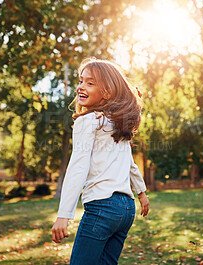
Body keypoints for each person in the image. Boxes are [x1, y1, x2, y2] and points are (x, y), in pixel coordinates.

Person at [52, 58, 149, 265]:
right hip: (126, 210)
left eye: (90, 83)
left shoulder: (87, 121)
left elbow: (78, 166)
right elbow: (130, 163)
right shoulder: (116, 123)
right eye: (81, 81)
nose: (81, 87)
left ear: (107, 92)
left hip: (102, 207)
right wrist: (141, 192)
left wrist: (64, 215)